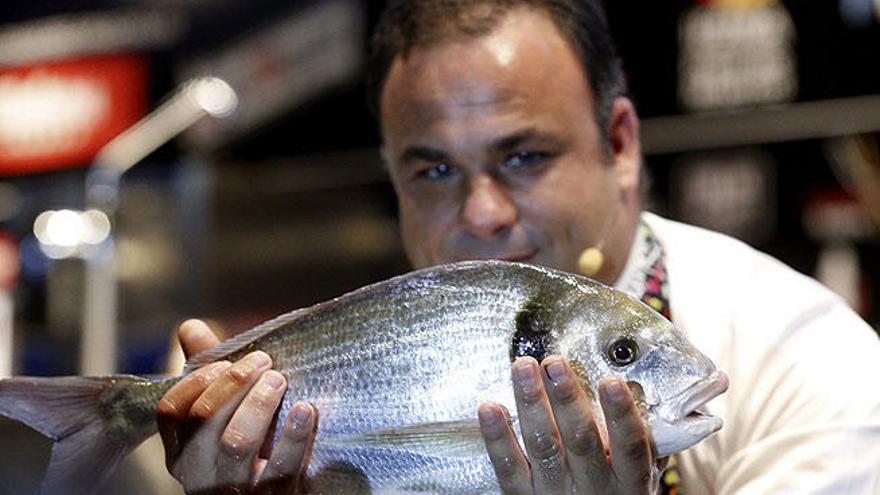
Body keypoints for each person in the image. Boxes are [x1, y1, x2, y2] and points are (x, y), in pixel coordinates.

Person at [156, 0, 880, 493]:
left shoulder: (816, 370)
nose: (483, 213)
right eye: (434, 169)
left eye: (526, 156)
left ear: (620, 145)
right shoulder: (373, 364)